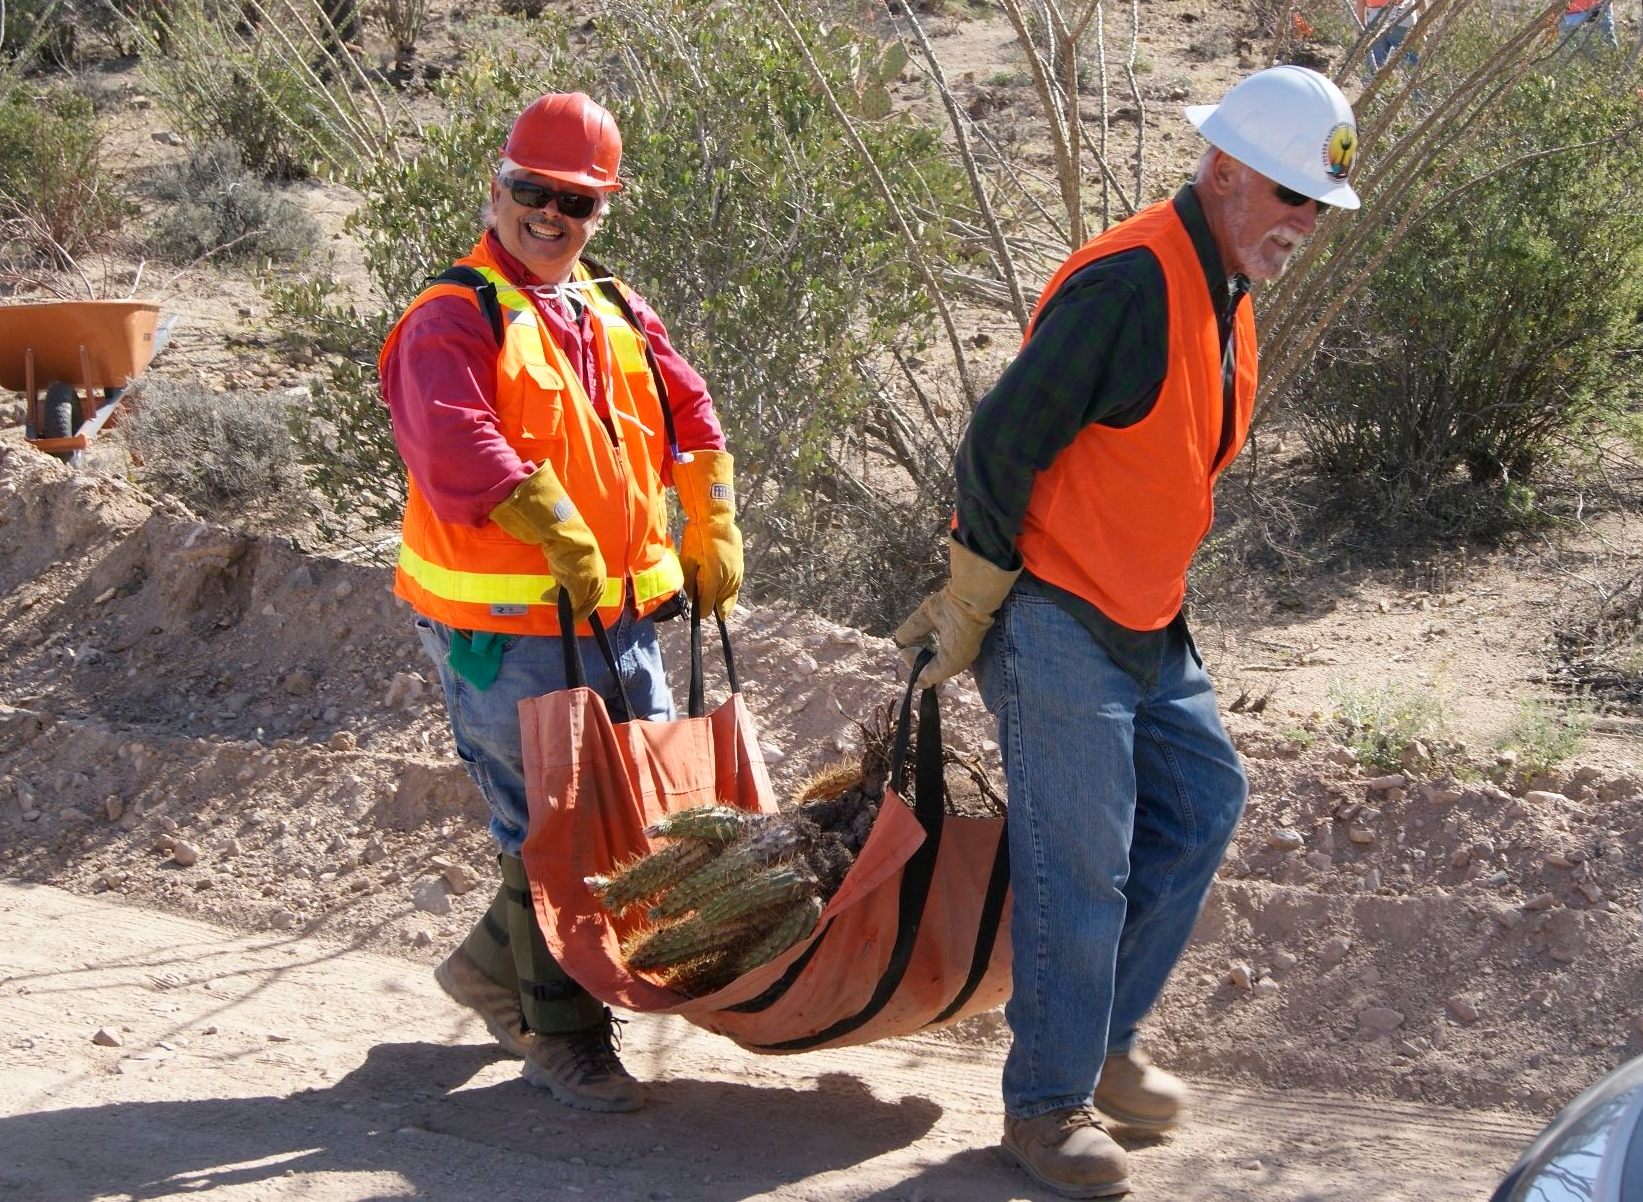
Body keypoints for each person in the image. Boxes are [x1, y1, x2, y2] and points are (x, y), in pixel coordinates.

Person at [894, 66, 1360, 1199]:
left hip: (1142, 617)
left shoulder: (1223, 288)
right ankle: (1045, 1105)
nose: (1302, 224)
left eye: (1314, 206)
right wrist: (970, 594)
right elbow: (999, 446)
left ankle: (1094, 1042)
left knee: (1202, 802)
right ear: (1223, 172)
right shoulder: (1129, 285)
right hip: (1054, 608)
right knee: (1081, 863)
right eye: (1290, 198)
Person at [379, 92, 743, 1114]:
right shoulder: (449, 315)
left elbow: (691, 412)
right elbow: (456, 441)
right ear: (494, 188)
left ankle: (492, 971)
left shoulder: (613, 308)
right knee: (551, 830)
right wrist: (557, 527)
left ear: (600, 213)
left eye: (574, 202)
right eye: (532, 191)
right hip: (507, 631)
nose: (550, 215)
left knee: (625, 822)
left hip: (616, 617)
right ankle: (560, 1033)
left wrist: (709, 516)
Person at [1356, 0, 1424, 73]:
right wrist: (1425, 23)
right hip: (1404, 20)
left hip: (1376, 21)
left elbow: (1361, 2)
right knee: (1413, 64)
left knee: (1373, 67)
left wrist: (1361, 24)